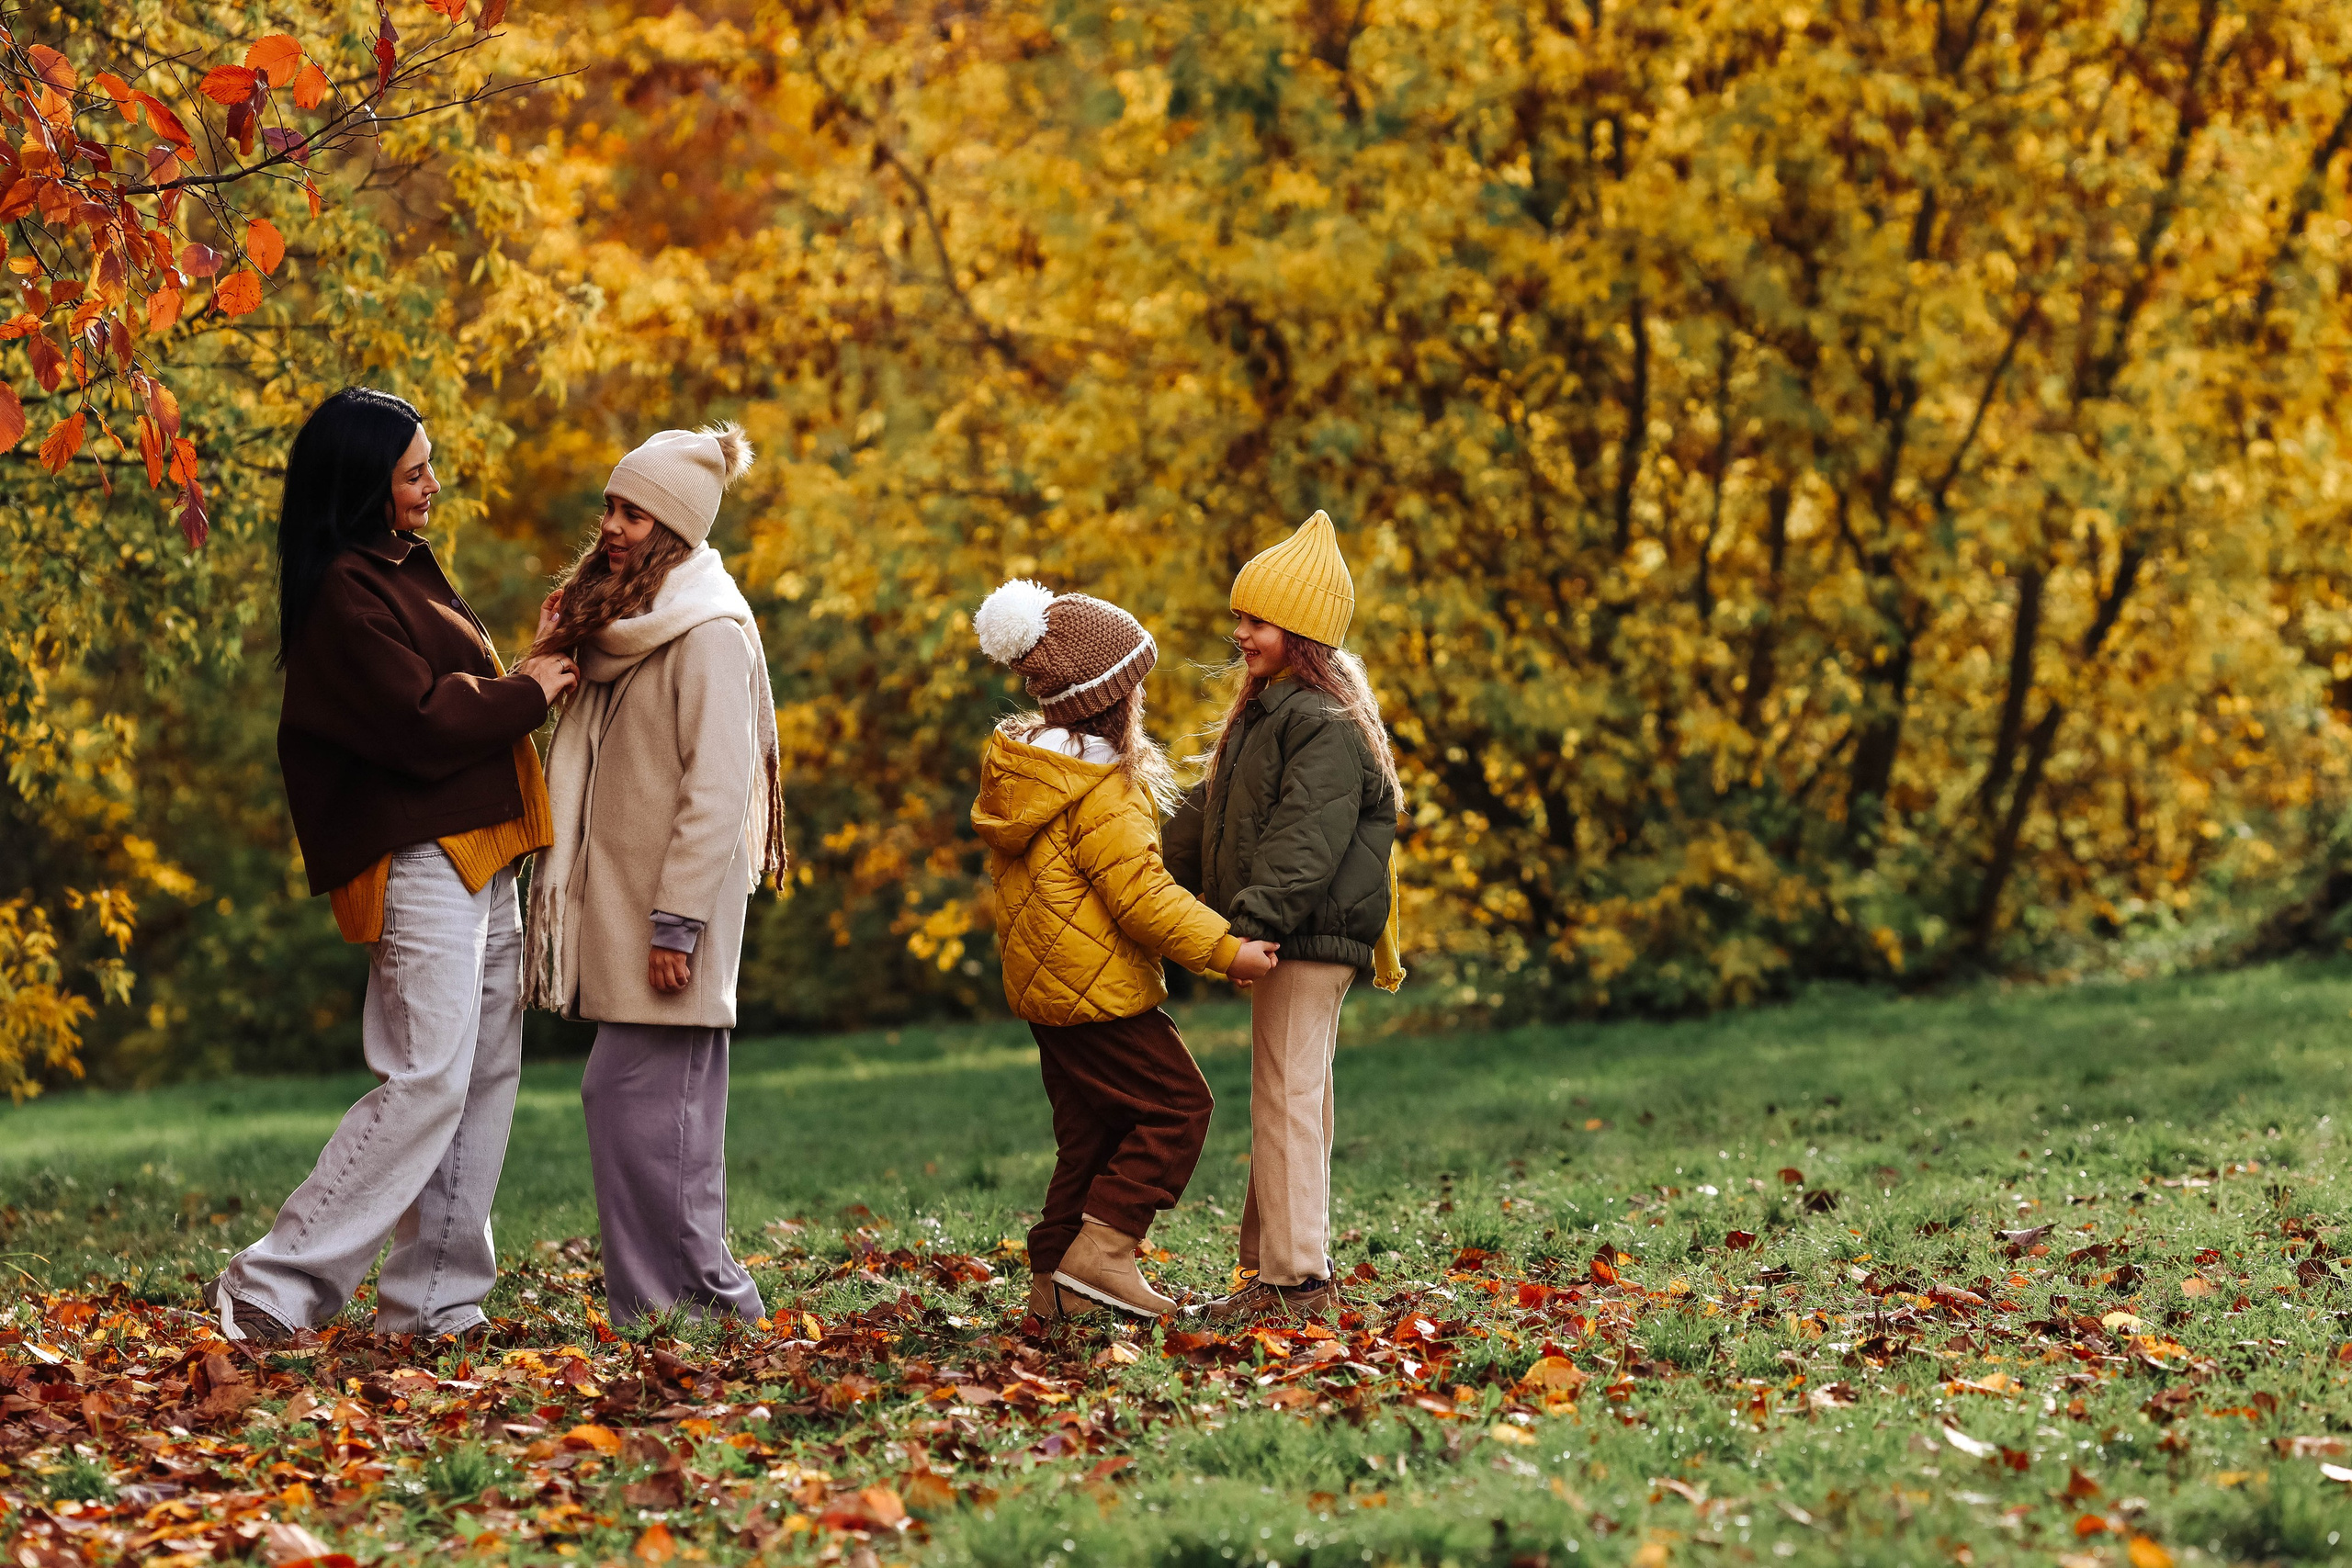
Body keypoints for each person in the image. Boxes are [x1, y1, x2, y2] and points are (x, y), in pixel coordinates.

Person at [207, 387, 578, 1345]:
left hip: (482, 852)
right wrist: (525, 690)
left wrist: (531, 662)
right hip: (422, 860)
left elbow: (455, 698)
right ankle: (271, 1286)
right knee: (425, 1079)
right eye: (414, 472)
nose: (432, 486)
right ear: (365, 483)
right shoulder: (344, 589)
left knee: (480, 1078)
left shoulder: (400, 567)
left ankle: (436, 1306)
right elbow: (420, 724)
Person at [523, 423, 785, 1328]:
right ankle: (655, 1306)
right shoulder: (629, 629)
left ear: (673, 526)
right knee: (646, 1109)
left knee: (647, 1106)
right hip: (629, 909)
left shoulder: (707, 635)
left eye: (632, 511)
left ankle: (711, 1304)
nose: (611, 525)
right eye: (609, 505)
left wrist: (677, 924)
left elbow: (716, 791)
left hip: (670, 919)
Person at [970, 580, 1281, 1321]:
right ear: (1116, 695)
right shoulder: (1100, 784)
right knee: (1179, 1107)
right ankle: (1104, 1254)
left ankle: (1052, 1287)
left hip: (1051, 996)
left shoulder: (1030, 771)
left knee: (1089, 1136)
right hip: (1101, 993)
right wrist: (1226, 948)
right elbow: (1141, 896)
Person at [1166, 510, 1406, 1323]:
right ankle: (1269, 1267)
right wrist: (1145, 865)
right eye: (1238, 616)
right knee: (1290, 1090)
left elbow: (1306, 839)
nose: (1240, 632)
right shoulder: (1274, 712)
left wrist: (1251, 924)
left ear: (1301, 631)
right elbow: (1213, 815)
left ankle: (1296, 1281)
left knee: (1288, 1093)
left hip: (1304, 931)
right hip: (1294, 928)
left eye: (1256, 619)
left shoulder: (1322, 722)